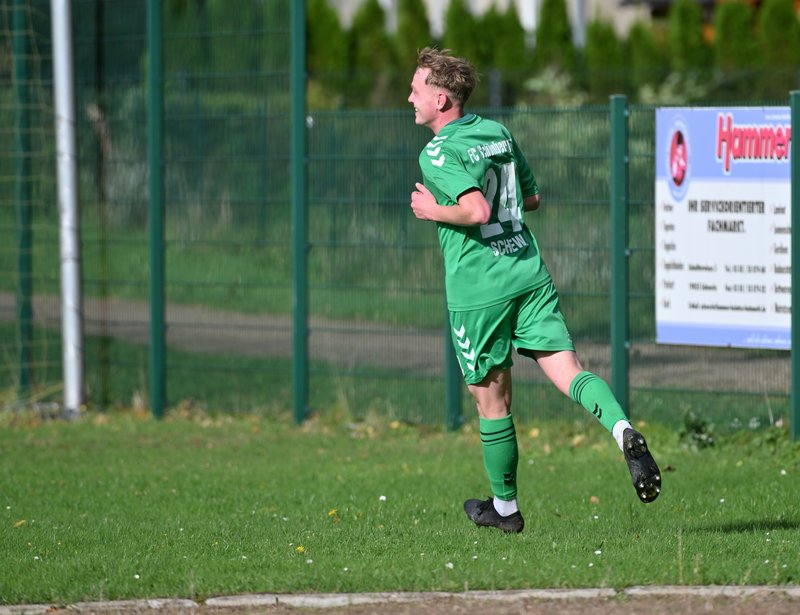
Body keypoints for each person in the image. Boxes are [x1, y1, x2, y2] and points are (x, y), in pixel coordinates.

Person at [407, 47, 661, 534]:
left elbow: (477, 211)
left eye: (416, 89)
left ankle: (506, 510)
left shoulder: (436, 152)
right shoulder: (496, 132)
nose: (409, 98)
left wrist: (431, 210)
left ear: (440, 100)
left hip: (479, 290)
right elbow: (532, 197)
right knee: (570, 372)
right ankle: (622, 429)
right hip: (527, 272)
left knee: (492, 403)